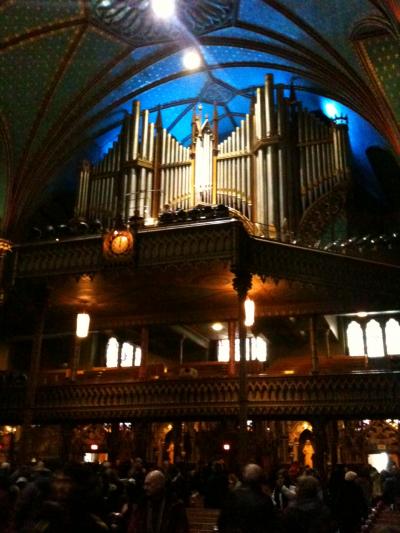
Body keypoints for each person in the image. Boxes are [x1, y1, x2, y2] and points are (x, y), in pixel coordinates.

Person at [218, 463, 277, 533]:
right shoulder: (266, 499)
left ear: (244, 477)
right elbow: (271, 526)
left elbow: (223, 522)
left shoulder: (234, 496)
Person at [126, 469, 189, 533]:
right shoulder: (141, 504)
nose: (145, 488)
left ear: (159, 485)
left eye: (148, 484)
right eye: (145, 484)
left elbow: (181, 528)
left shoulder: (175, 505)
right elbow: (133, 527)